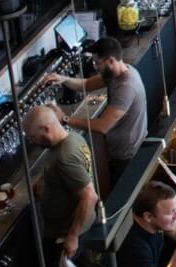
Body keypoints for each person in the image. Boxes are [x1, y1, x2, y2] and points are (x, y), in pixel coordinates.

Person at [23, 106, 98, 267]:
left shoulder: (64, 157)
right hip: (77, 227)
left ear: (46, 129)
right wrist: (46, 185)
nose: (33, 141)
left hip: (64, 233)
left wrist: (72, 237)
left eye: (33, 137)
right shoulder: (73, 139)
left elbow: (89, 196)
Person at [55, 36, 147, 183]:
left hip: (127, 155)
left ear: (110, 61)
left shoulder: (126, 87)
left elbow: (103, 126)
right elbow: (85, 85)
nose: (95, 66)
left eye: (97, 63)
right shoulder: (116, 73)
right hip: (119, 149)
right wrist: (63, 79)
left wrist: (65, 119)